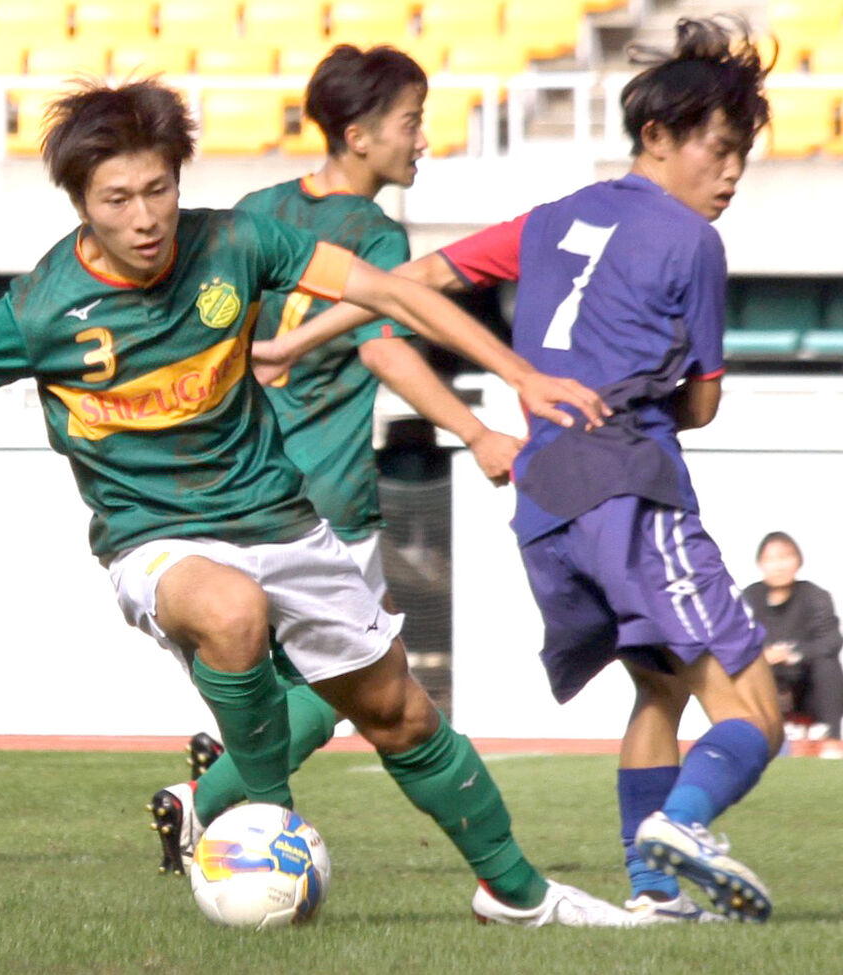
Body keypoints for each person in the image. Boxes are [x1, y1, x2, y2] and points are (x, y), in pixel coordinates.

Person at [0, 77, 631, 927]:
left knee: (400, 713)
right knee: (232, 610)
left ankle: (518, 893)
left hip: (281, 516)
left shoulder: (237, 242)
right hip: (152, 539)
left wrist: (521, 373)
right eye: (116, 198)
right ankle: (268, 822)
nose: (143, 217)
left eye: (158, 190)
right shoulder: (41, 309)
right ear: (82, 203)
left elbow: (388, 290)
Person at [251, 17, 783, 923]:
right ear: (657, 137)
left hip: (542, 502)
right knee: (755, 707)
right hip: (629, 482)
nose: (731, 174)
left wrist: (295, 336)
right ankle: (685, 825)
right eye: (721, 150)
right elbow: (700, 406)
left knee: (658, 685)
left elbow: (414, 277)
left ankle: (653, 889)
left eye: (742, 157)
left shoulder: (551, 219)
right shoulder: (695, 242)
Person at [148, 44, 522, 882]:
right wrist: (476, 428)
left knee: (295, 681)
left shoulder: (257, 210)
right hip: (325, 497)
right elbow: (386, 348)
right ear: (358, 135)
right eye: (411, 121)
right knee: (349, 687)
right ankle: (203, 800)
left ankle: (225, 787)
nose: (422, 138)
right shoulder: (375, 237)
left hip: (229, 490)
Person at [743, 532, 843, 756]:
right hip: (766, 681)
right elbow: (736, 641)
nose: (779, 566)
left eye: (785, 557)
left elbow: (831, 641)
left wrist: (791, 654)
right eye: (771, 559)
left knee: (828, 664)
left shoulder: (816, 596)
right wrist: (763, 655)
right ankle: (739, 740)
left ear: (798, 561)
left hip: (805, 684)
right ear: (761, 563)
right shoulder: (749, 597)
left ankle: (832, 741)